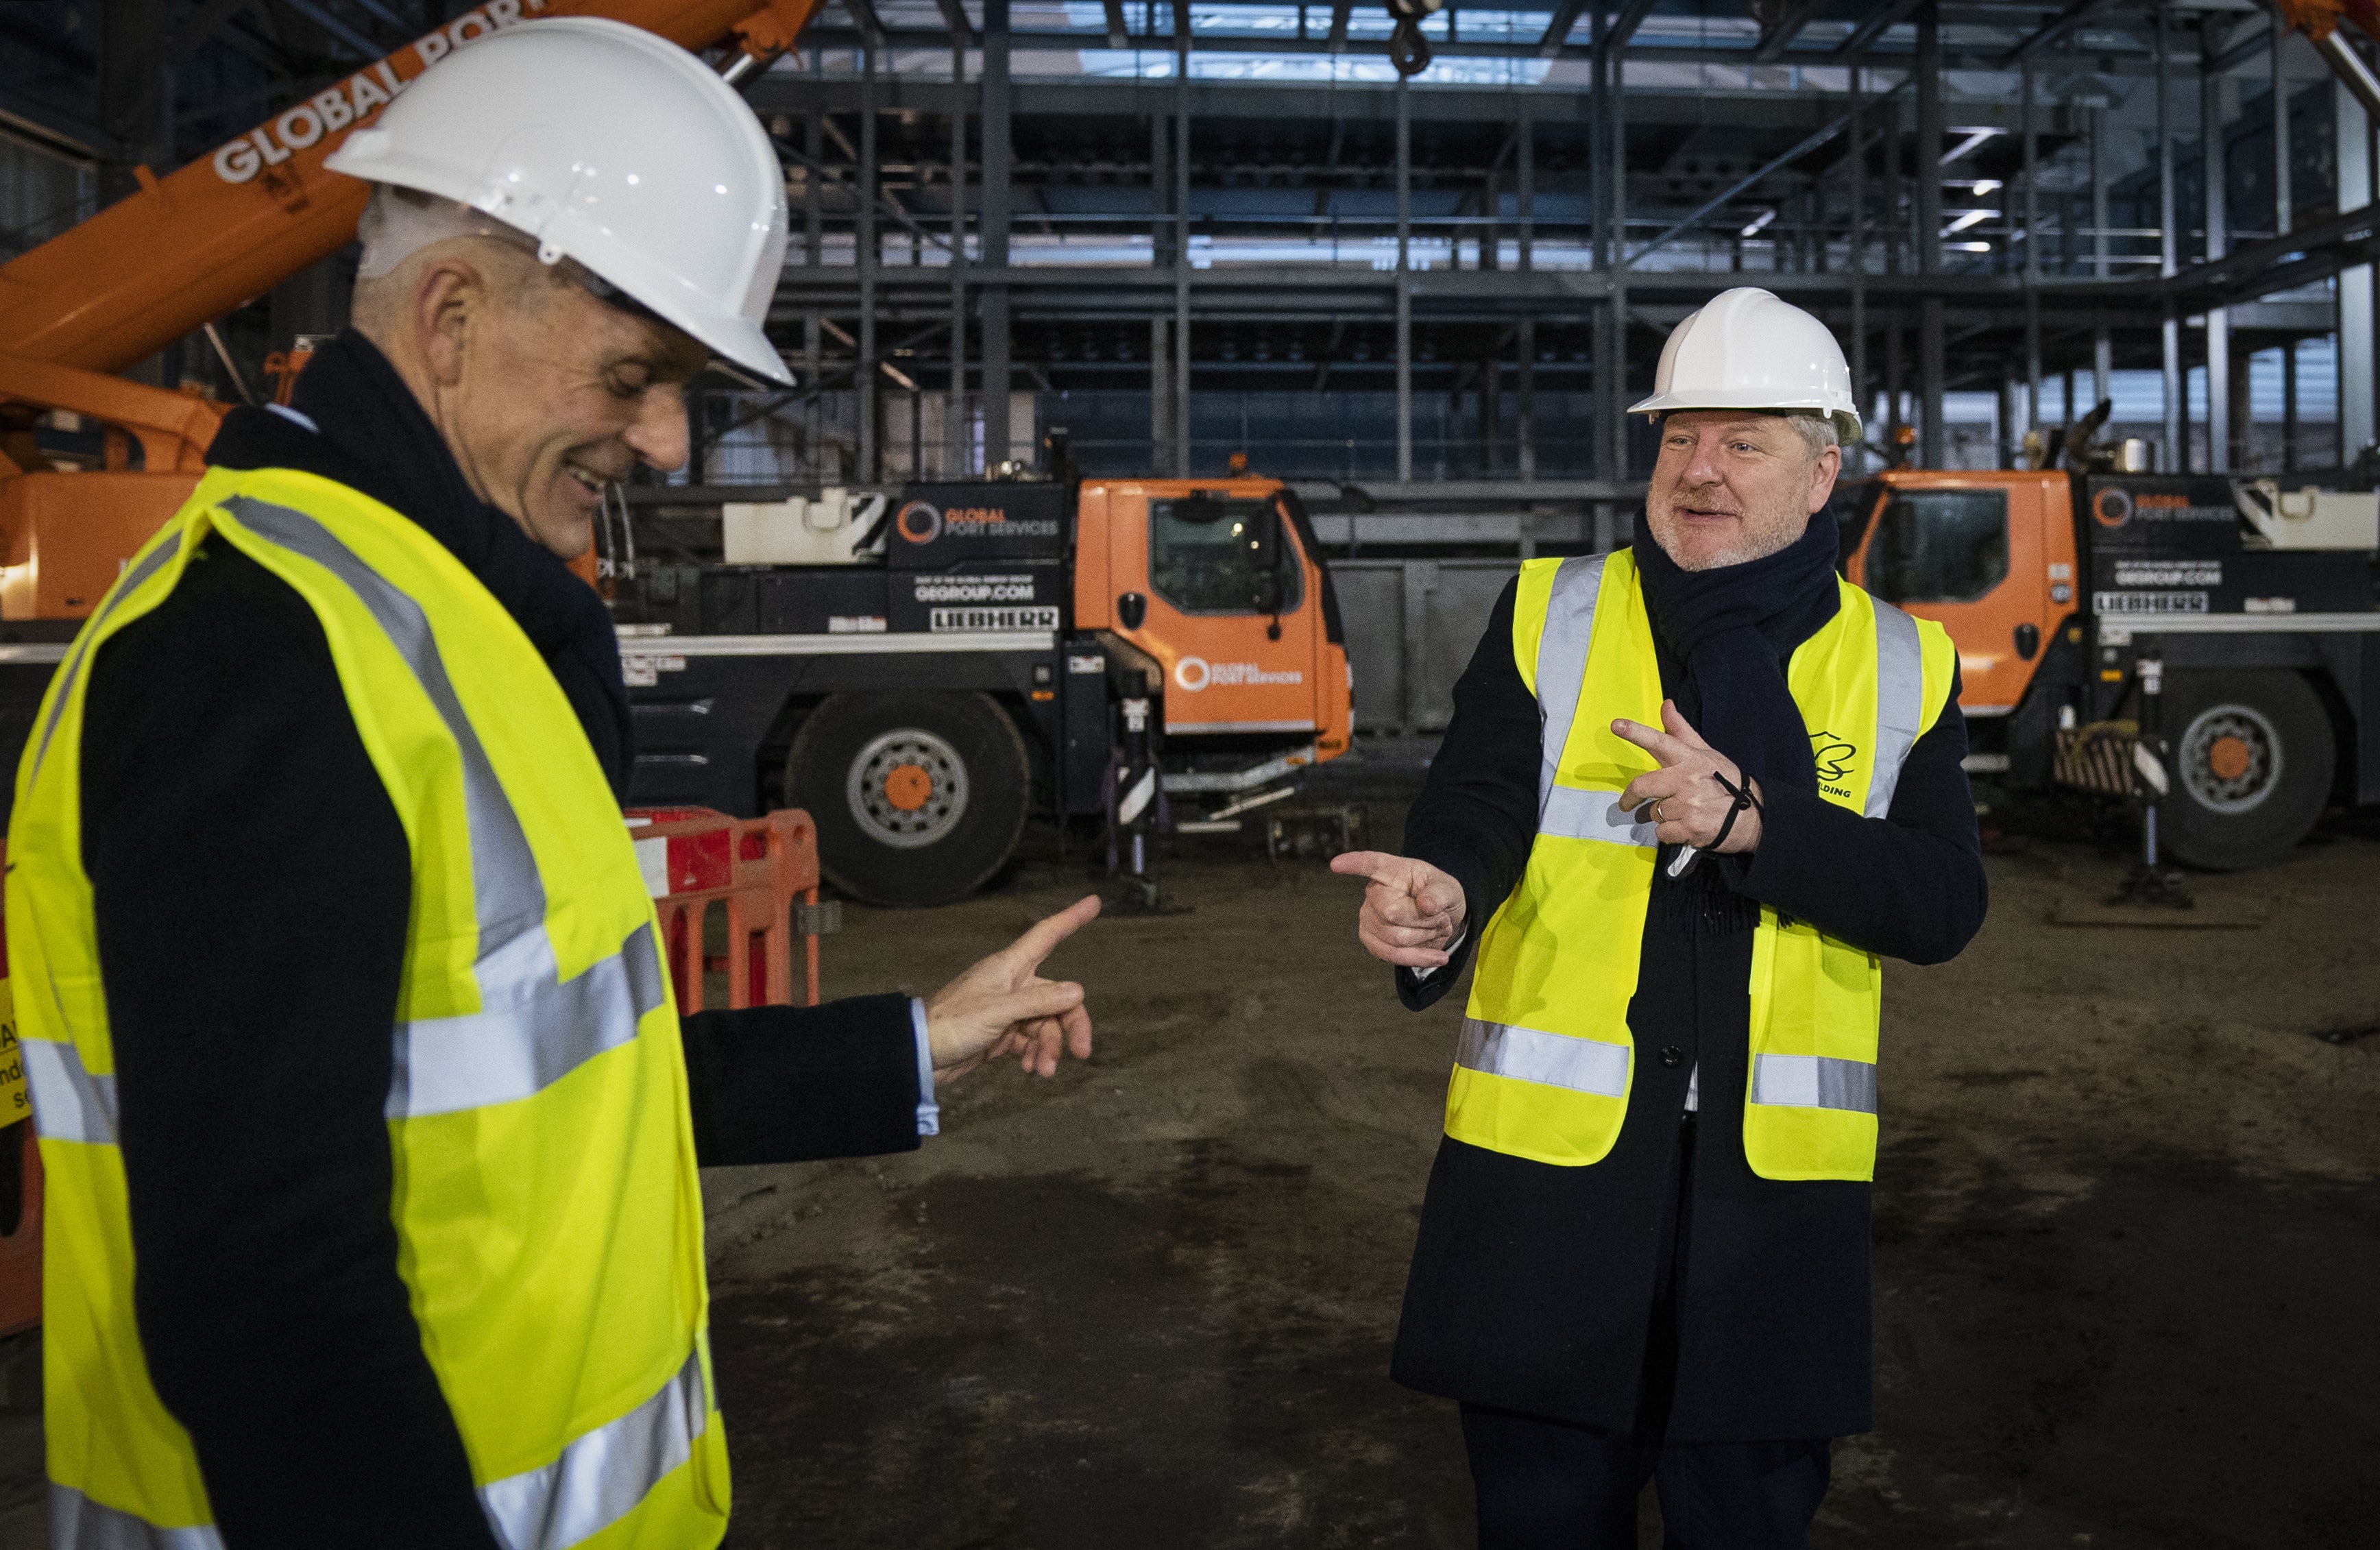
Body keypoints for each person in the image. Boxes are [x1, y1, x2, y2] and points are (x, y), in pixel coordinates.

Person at [12, 19, 1097, 1549]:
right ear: (452, 312)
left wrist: (909, 1049)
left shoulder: (452, 622)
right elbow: (263, 1302)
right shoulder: (265, 651)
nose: (664, 438)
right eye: (637, 375)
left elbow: (543, 1073)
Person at [1331, 287, 1987, 1549]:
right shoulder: (1552, 614)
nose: (1700, 471)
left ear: (1822, 473)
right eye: (1680, 437)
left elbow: (1942, 900)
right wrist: (1442, 893)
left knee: (1742, 1521)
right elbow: (1473, 807)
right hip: (1551, 1197)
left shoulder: (1906, 662)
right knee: (1543, 1517)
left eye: (1745, 443)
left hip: (1769, 1213)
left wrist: (1762, 826)